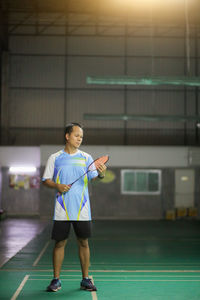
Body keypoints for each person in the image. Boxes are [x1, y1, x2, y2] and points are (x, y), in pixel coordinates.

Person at [42, 122, 107, 292]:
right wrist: (58, 186)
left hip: (82, 209)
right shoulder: (55, 157)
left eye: (81, 137)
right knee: (59, 243)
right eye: (77, 135)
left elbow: (96, 176)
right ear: (67, 136)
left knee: (83, 243)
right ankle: (56, 280)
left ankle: (85, 279)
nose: (80, 139)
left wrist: (102, 174)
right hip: (62, 209)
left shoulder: (86, 157)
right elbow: (46, 180)